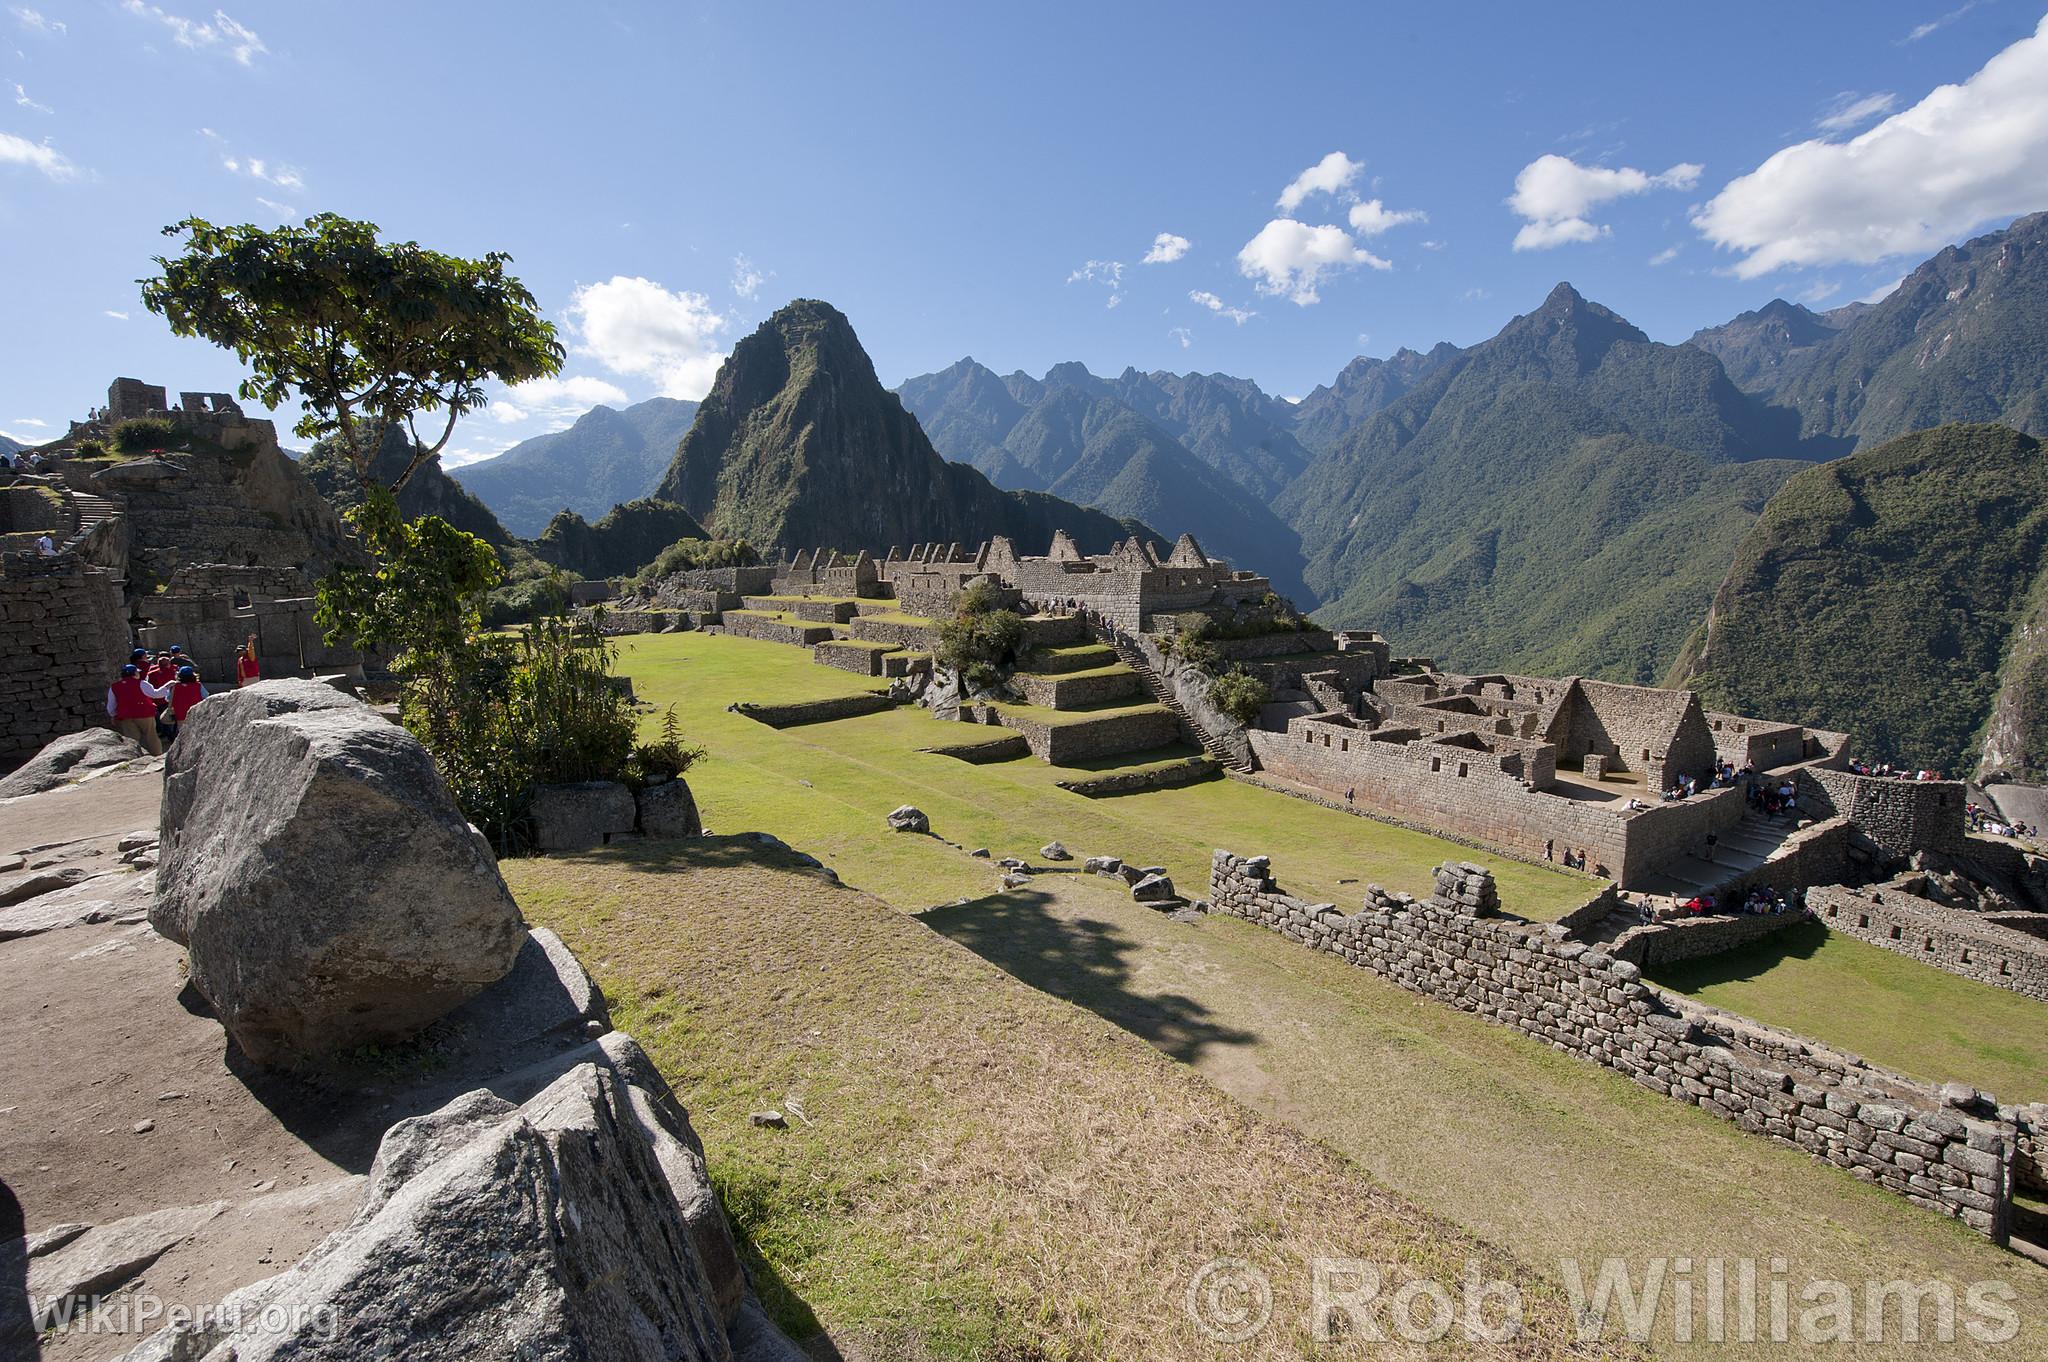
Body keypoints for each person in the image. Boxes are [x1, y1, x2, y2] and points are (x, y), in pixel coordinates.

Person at [106, 663, 167, 756]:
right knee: (151, 736)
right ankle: (157, 755)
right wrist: (167, 686)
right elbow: (156, 694)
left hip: (125, 716)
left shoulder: (114, 687)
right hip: (144, 714)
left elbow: (111, 704)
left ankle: (136, 757)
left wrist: (113, 715)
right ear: (134, 674)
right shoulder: (141, 683)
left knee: (132, 739)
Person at [164, 664, 208, 738]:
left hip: (180, 714)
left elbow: (167, 699)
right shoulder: (198, 685)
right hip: (197, 712)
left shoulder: (174, 687)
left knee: (183, 735)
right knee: (198, 733)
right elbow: (206, 696)